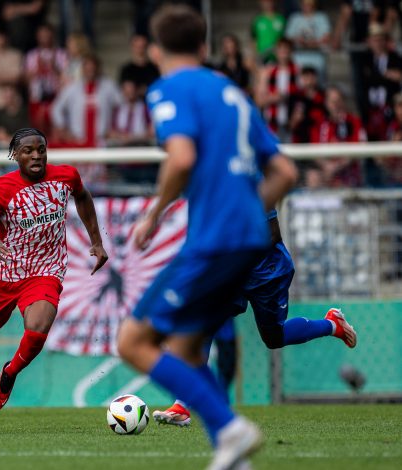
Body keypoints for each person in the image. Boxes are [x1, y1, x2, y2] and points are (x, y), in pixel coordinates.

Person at [115, 6, 297, 469]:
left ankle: (231, 428)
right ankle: (232, 454)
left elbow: (180, 158)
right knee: (187, 348)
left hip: (213, 241)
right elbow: (284, 171)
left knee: (133, 342)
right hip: (253, 241)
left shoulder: (169, 88)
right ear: (203, 48)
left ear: (155, 51)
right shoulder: (232, 92)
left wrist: (154, 214)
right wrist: (244, 212)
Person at [0, 127, 108, 434]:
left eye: (41, 149)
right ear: (15, 155)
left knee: (39, 327)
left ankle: (9, 373)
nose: (36, 155)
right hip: (6, 272)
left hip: (45, 269)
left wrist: (96, 241)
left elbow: (83, 197)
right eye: (28, 150)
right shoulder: (1, 188)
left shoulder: (66, 176)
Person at [153, 212, 358, 427]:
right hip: (233, 272)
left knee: (274, 337)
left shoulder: (252, 183)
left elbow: (273, 233)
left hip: (268, 271)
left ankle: (332, 324)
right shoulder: (213, 191)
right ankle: (182, 406)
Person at [118, 34, 160, 98]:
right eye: (137, 47)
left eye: (143, 46)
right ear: (132, 47)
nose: (140, 50)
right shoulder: (126, 70)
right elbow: (126, 92)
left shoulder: (155, 68)